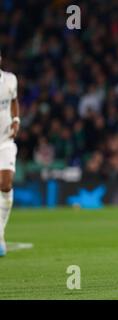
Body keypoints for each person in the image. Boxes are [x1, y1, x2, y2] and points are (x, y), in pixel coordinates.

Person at [0, 49, 20, 257]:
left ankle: (0, 233)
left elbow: (14, 102)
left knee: (5, 184)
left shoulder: (10, 80)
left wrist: (16, 120)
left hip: (5, 141)